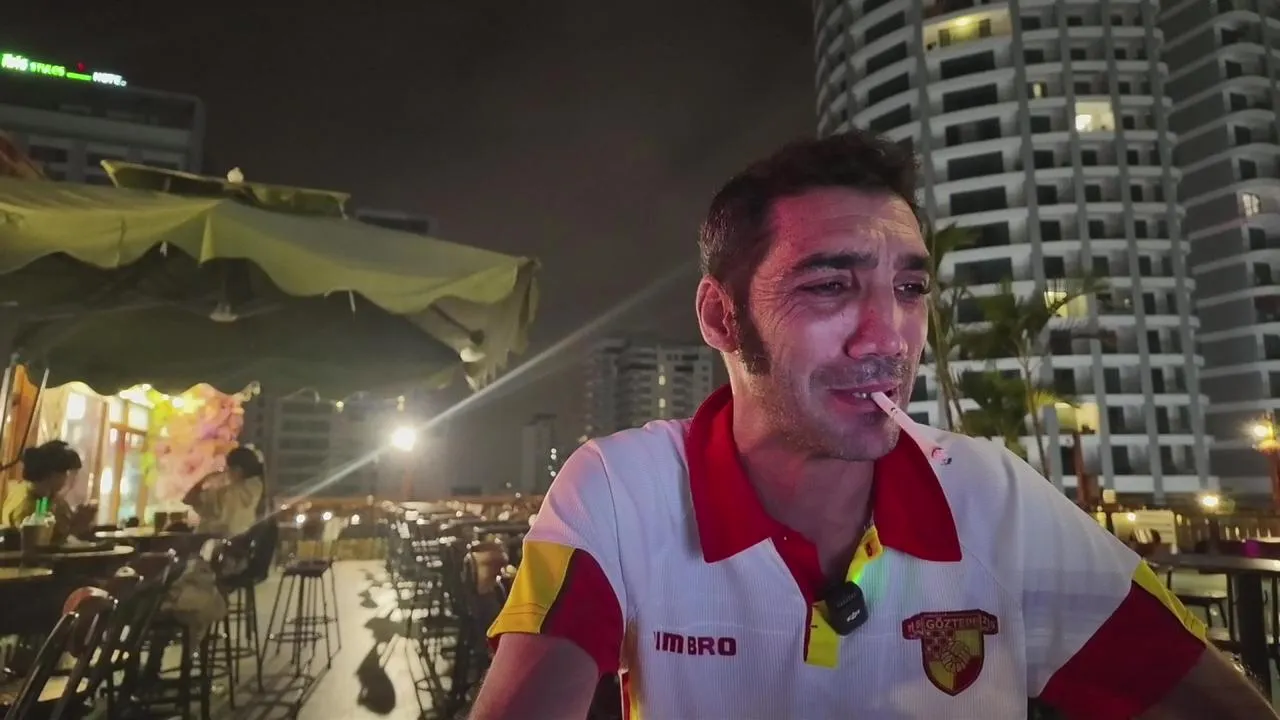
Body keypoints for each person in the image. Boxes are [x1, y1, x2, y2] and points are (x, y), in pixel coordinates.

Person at [473, 131, 1277, 719]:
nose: (889, 338)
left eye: (911, 289)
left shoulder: (995, 499)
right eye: (830, 286)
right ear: (721, 317)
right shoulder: (621, 491)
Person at [0, 440, 94, 539]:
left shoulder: (51, 498)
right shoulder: (25, 506)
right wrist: (74, 528)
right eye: (65, 473)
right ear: (53, 475)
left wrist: (79, 521)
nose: (67, 478)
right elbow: (38, 542)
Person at [183, 446, 265, 537]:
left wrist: (205, 478)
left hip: (210, 541)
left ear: (237, 470)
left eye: (228, 469)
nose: (227, 473)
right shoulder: (257, 489)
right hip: (241, 540)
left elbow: (188, 499)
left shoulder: (224, 495)